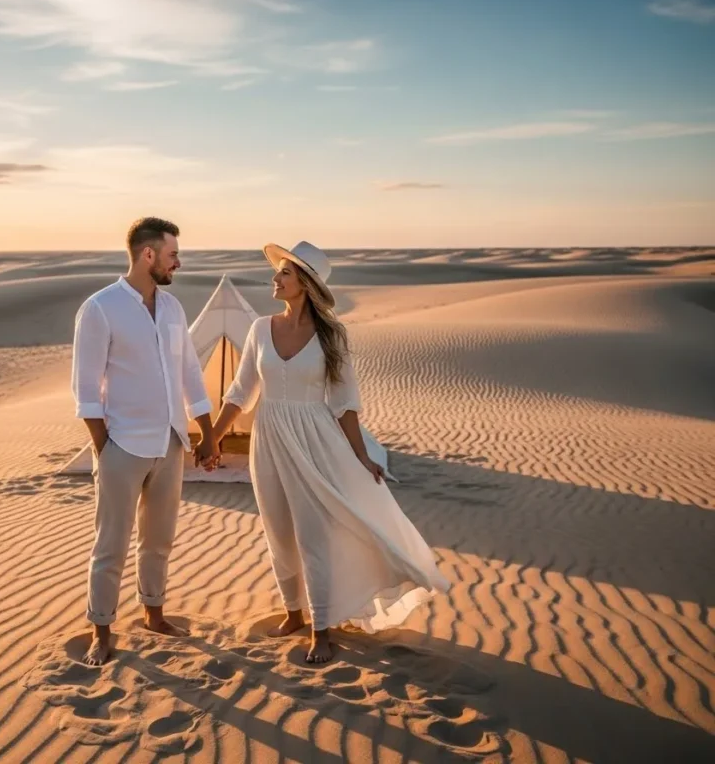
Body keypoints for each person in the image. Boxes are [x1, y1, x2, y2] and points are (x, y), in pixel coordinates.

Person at [206, 241, 450, 663]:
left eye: (284, 273)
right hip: (269, 438)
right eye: (278, 271)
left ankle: (321, 629)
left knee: (314, 535)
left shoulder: (331, 335)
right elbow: (241, 391)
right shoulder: (259, 328)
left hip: (315, 440)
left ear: (306, 283)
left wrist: (361, 456)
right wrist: (213, 437)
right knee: (278, 530)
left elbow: (344, 403)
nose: (275, 278)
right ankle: (293, 613)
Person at [71, 217, 219, 666]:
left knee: (159, 539)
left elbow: (190, 372)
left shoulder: (173, 308)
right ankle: (102, 629)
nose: (179, 261)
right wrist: (103, 448)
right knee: (111, 544)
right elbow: (84, 387)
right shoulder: (100, 308)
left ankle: (154, 614)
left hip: (169, 443)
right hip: (123, 446)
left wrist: (207, 432)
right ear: (148, 255)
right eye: (173, 253)